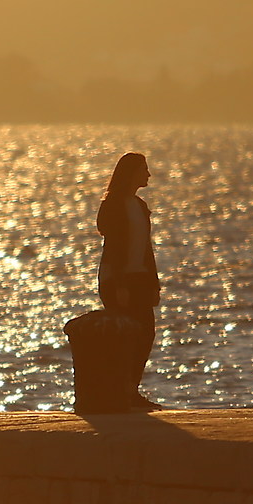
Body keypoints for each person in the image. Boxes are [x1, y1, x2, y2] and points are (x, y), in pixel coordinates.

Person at [95, 151, 160, 410]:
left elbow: (146, 248)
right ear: (130, 173)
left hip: (140, 277)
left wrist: (154, 283)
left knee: (146, 333)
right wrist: (119, 284)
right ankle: (120, 393)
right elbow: (114, 247)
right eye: (144, 169)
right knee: (123, 338)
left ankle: (131, 389)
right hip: (118, 279)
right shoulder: (112, 205)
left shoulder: (140, 206)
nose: (148, 174)